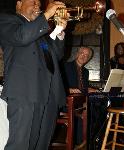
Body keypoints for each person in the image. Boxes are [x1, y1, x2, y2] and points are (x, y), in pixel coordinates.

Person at [0, 0, 69, 150]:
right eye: (33, 2)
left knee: (42, 145)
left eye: (39, 3)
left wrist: (58, 31)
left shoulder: (40, 30)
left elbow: (55, 56)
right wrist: (47, 14)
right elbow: (21, 37)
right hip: (24, 91)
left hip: (49, 94)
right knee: (20, 145)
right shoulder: (7, 20)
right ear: (18, 4)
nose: (37, 5)